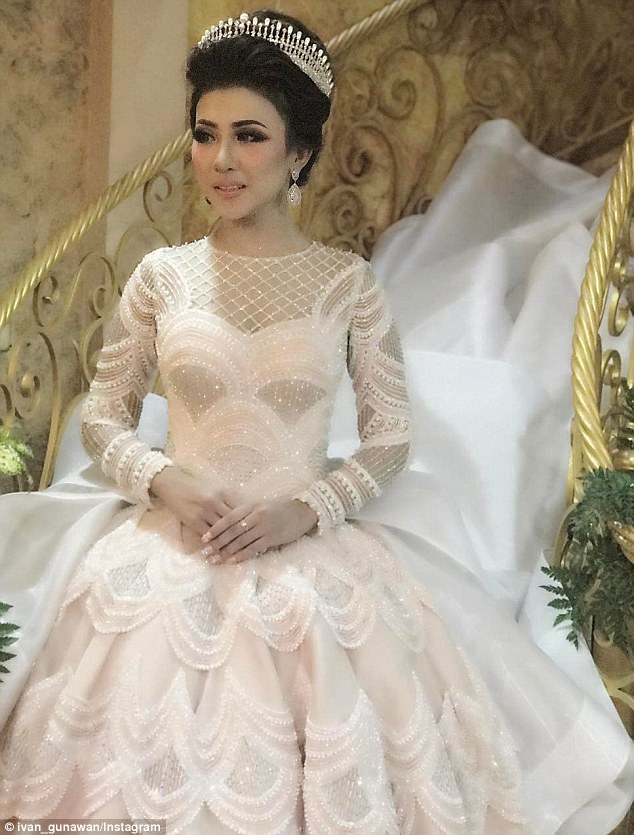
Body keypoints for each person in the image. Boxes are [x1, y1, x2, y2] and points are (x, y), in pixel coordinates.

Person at [0, 9, 631, 834]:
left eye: (249, 136)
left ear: (299, 152)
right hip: (170, 542)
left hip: (304, 544)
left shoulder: (346, 284)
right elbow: (105, 419)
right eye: (206, 134)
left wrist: (305, 509)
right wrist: (164, 479)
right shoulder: (162, 276)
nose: (222, 160)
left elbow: (389, 437)